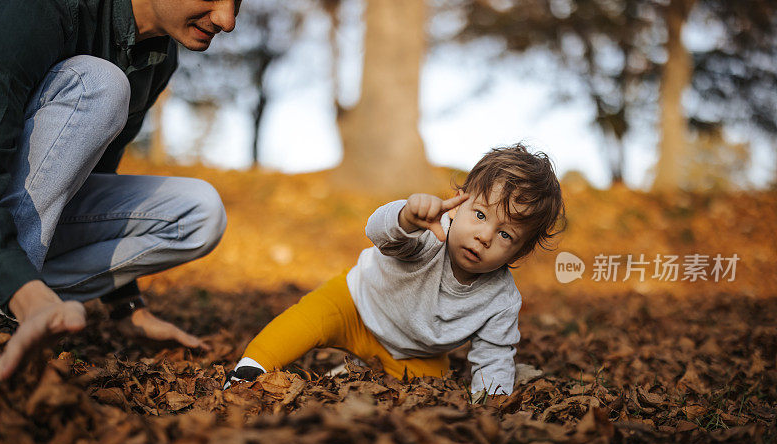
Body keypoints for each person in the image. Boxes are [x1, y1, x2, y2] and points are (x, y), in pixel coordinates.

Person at [0, 0, 242, 389]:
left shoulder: (158, 57)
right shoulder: (34, 10)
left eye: (237, 1)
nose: (227, 20)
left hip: (1, 227)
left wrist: (127, 307)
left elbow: (86, 177)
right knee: (100, 82)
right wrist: (19, 291)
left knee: (199, 213)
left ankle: (20, 292)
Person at [225, 144, 565, 397]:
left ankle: (355, 371)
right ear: (459, 201)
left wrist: (493, 406)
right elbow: (382, 236)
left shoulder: (501, 300)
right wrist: (406, 218)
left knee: (433, 386)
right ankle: (248, 371)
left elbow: (494, 356)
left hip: (410, 351)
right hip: (356, 304)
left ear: (521, 250)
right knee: (303, 322)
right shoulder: (433, 233)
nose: (485, 235)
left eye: (506, 234)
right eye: (480, 214)